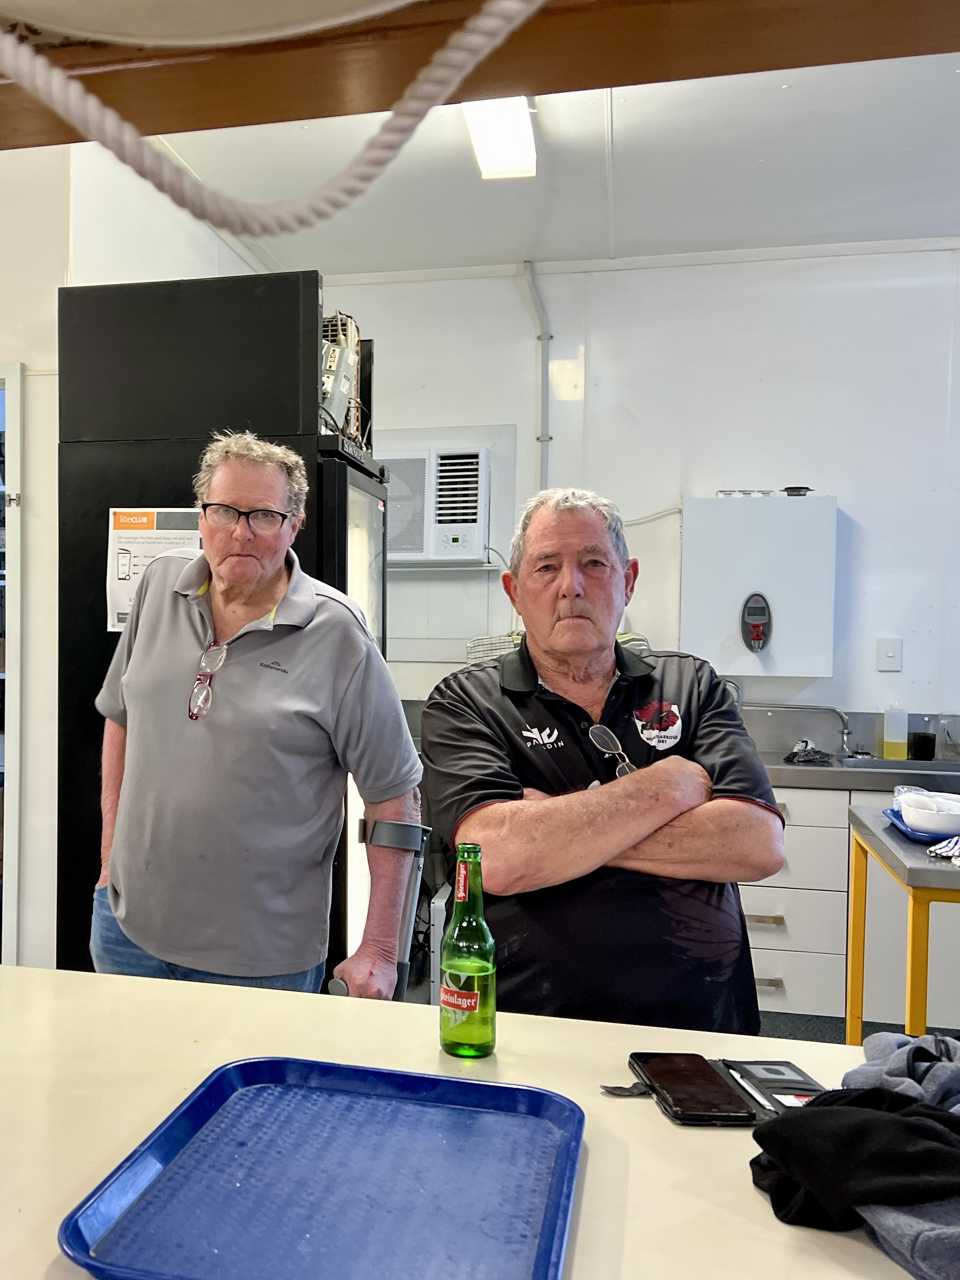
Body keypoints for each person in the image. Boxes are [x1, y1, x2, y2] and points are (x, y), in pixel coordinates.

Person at [421, 487, 784, 1032]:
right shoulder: (467, 701)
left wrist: (556, 832)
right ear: (514, 591)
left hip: (699, 1025)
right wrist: (668, 786)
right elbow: (494, 856)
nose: (571, 586)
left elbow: (756, 844)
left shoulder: (692, 685)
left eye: (594, 563)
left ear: (628, 580)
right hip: (528, 1023)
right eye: (547, 567)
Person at [92, 430, 422, 997]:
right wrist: (109, 861)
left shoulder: (337, 634)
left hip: (263, 962)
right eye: (224, 511)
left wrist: (380, 950)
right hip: (127, 934)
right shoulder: (158, 586)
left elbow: (395, 796)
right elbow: (120, 717)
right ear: (201, 515)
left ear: (295, 525)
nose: (240, 532)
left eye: (263, 516)